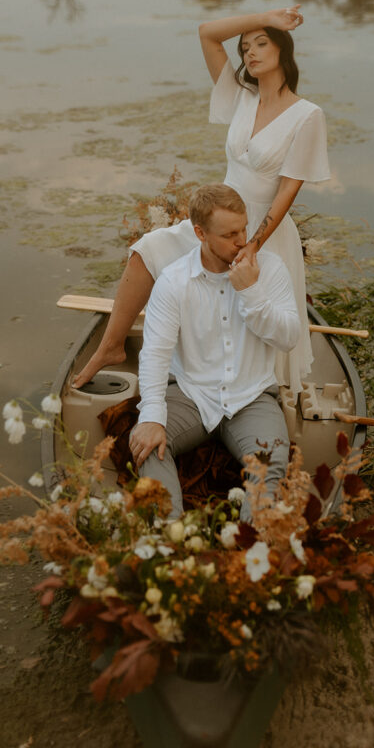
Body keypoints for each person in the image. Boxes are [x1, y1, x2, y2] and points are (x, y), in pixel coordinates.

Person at [72, 5, 330, 397]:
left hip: (264, 229)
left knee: (249, 320)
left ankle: (256, 403)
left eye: (262, 43)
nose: (250, 53)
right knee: (148, 249)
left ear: (283, 50)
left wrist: (253, 245)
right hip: (216, 220)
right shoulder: (241, 97)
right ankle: (111, 345)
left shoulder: (307, 115)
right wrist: (267, 17)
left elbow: (287, 192)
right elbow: (208, 32)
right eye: (245, 48)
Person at [128, 183, 300, 521]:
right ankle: (172, 541)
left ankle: (249, 550)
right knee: (146, 445)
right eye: (230, 234)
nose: (243, 241)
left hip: (253, 396)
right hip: (191, 394)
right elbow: (155, 354)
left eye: (244, 229)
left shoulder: (272, 269)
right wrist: (150, 416)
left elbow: (289, 338)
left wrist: (251, 292)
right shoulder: (173, 281)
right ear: (200, 233)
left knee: (272, 462)